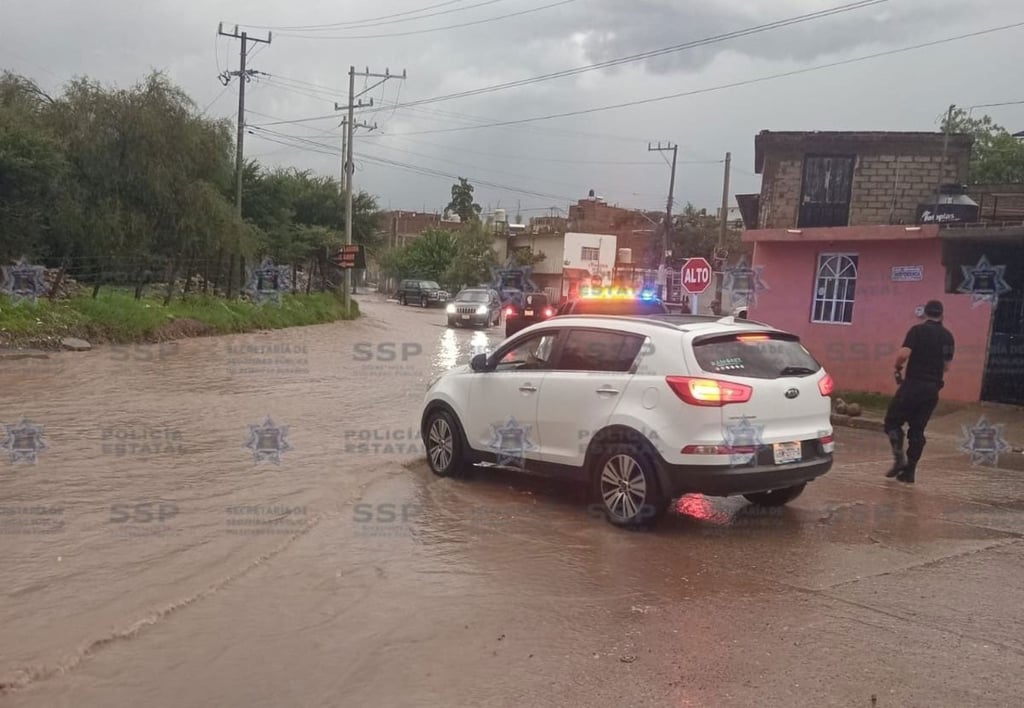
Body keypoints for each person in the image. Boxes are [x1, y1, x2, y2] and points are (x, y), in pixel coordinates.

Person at [883, 300, 955, 484]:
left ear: (925, 314)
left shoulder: (917, 331)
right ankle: (910, 472)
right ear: (942, 315)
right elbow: (946, 367)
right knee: (917, 429)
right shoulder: (948, 337)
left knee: (892, 421)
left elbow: (904, 354)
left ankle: (899, 458)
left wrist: (897, 366)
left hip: (913, 385)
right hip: (932, 390)